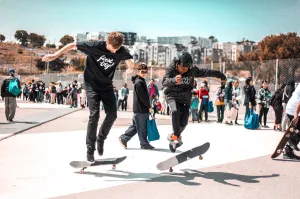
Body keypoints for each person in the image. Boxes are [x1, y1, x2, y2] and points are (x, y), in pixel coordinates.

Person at [42, 32, 134, 163]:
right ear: (106, 43)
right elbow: (72, 44)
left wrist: (130, 69)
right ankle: (90, 150)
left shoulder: (121, 50)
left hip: (107, 86)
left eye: (116, 49)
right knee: (94, 115)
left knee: (112, 115)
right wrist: (54, 55)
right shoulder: (95, 46)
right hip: (92, 86)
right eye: (111, 48)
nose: (114, 51)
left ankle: (100, 139)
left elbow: (129, 60)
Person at [162, 51, 226, 152]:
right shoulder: (171, 69)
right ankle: (175, 138)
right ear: (177, 63)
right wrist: (173, 80)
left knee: (183, 123)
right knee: (175, 111)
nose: (185, 69)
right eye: (183, 67)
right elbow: (164, 82)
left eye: (187, 67)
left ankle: (174, 136)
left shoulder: (191, 70)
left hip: (185, 98)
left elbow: (206, 72)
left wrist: (220, 74)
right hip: (172, 95)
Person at [119, 63, 154, 149]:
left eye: (146, 72)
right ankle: (144, 144)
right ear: (138, 71)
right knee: (142, 127)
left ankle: (123, 138)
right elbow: (143, 97)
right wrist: (149, 106)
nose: (144, 73)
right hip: (141, 109)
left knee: (136, 127)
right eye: (142, 72)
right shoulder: (139, 82)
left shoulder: (140, 81)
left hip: (139, 109)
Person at [282, 83, 300, 159]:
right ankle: (291, 139)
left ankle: (288, 152)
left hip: (291, 108)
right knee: (298, 130)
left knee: (297, 130)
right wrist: (296, 113)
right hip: (295, 109)